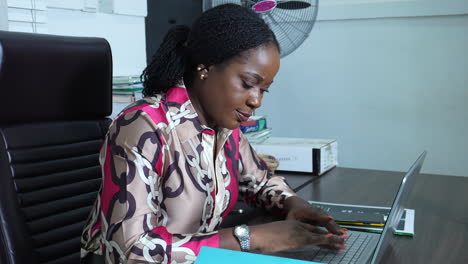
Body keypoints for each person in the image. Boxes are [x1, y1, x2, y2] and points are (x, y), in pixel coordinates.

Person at [81, 4, 347, 264]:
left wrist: (295, 205)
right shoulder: (143, 126)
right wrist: (251, 238)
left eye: (264, 89)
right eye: (248, 83)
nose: (256, 101)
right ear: (206, 67)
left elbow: (260, 181)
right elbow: (131, 250)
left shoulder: (225, 126)